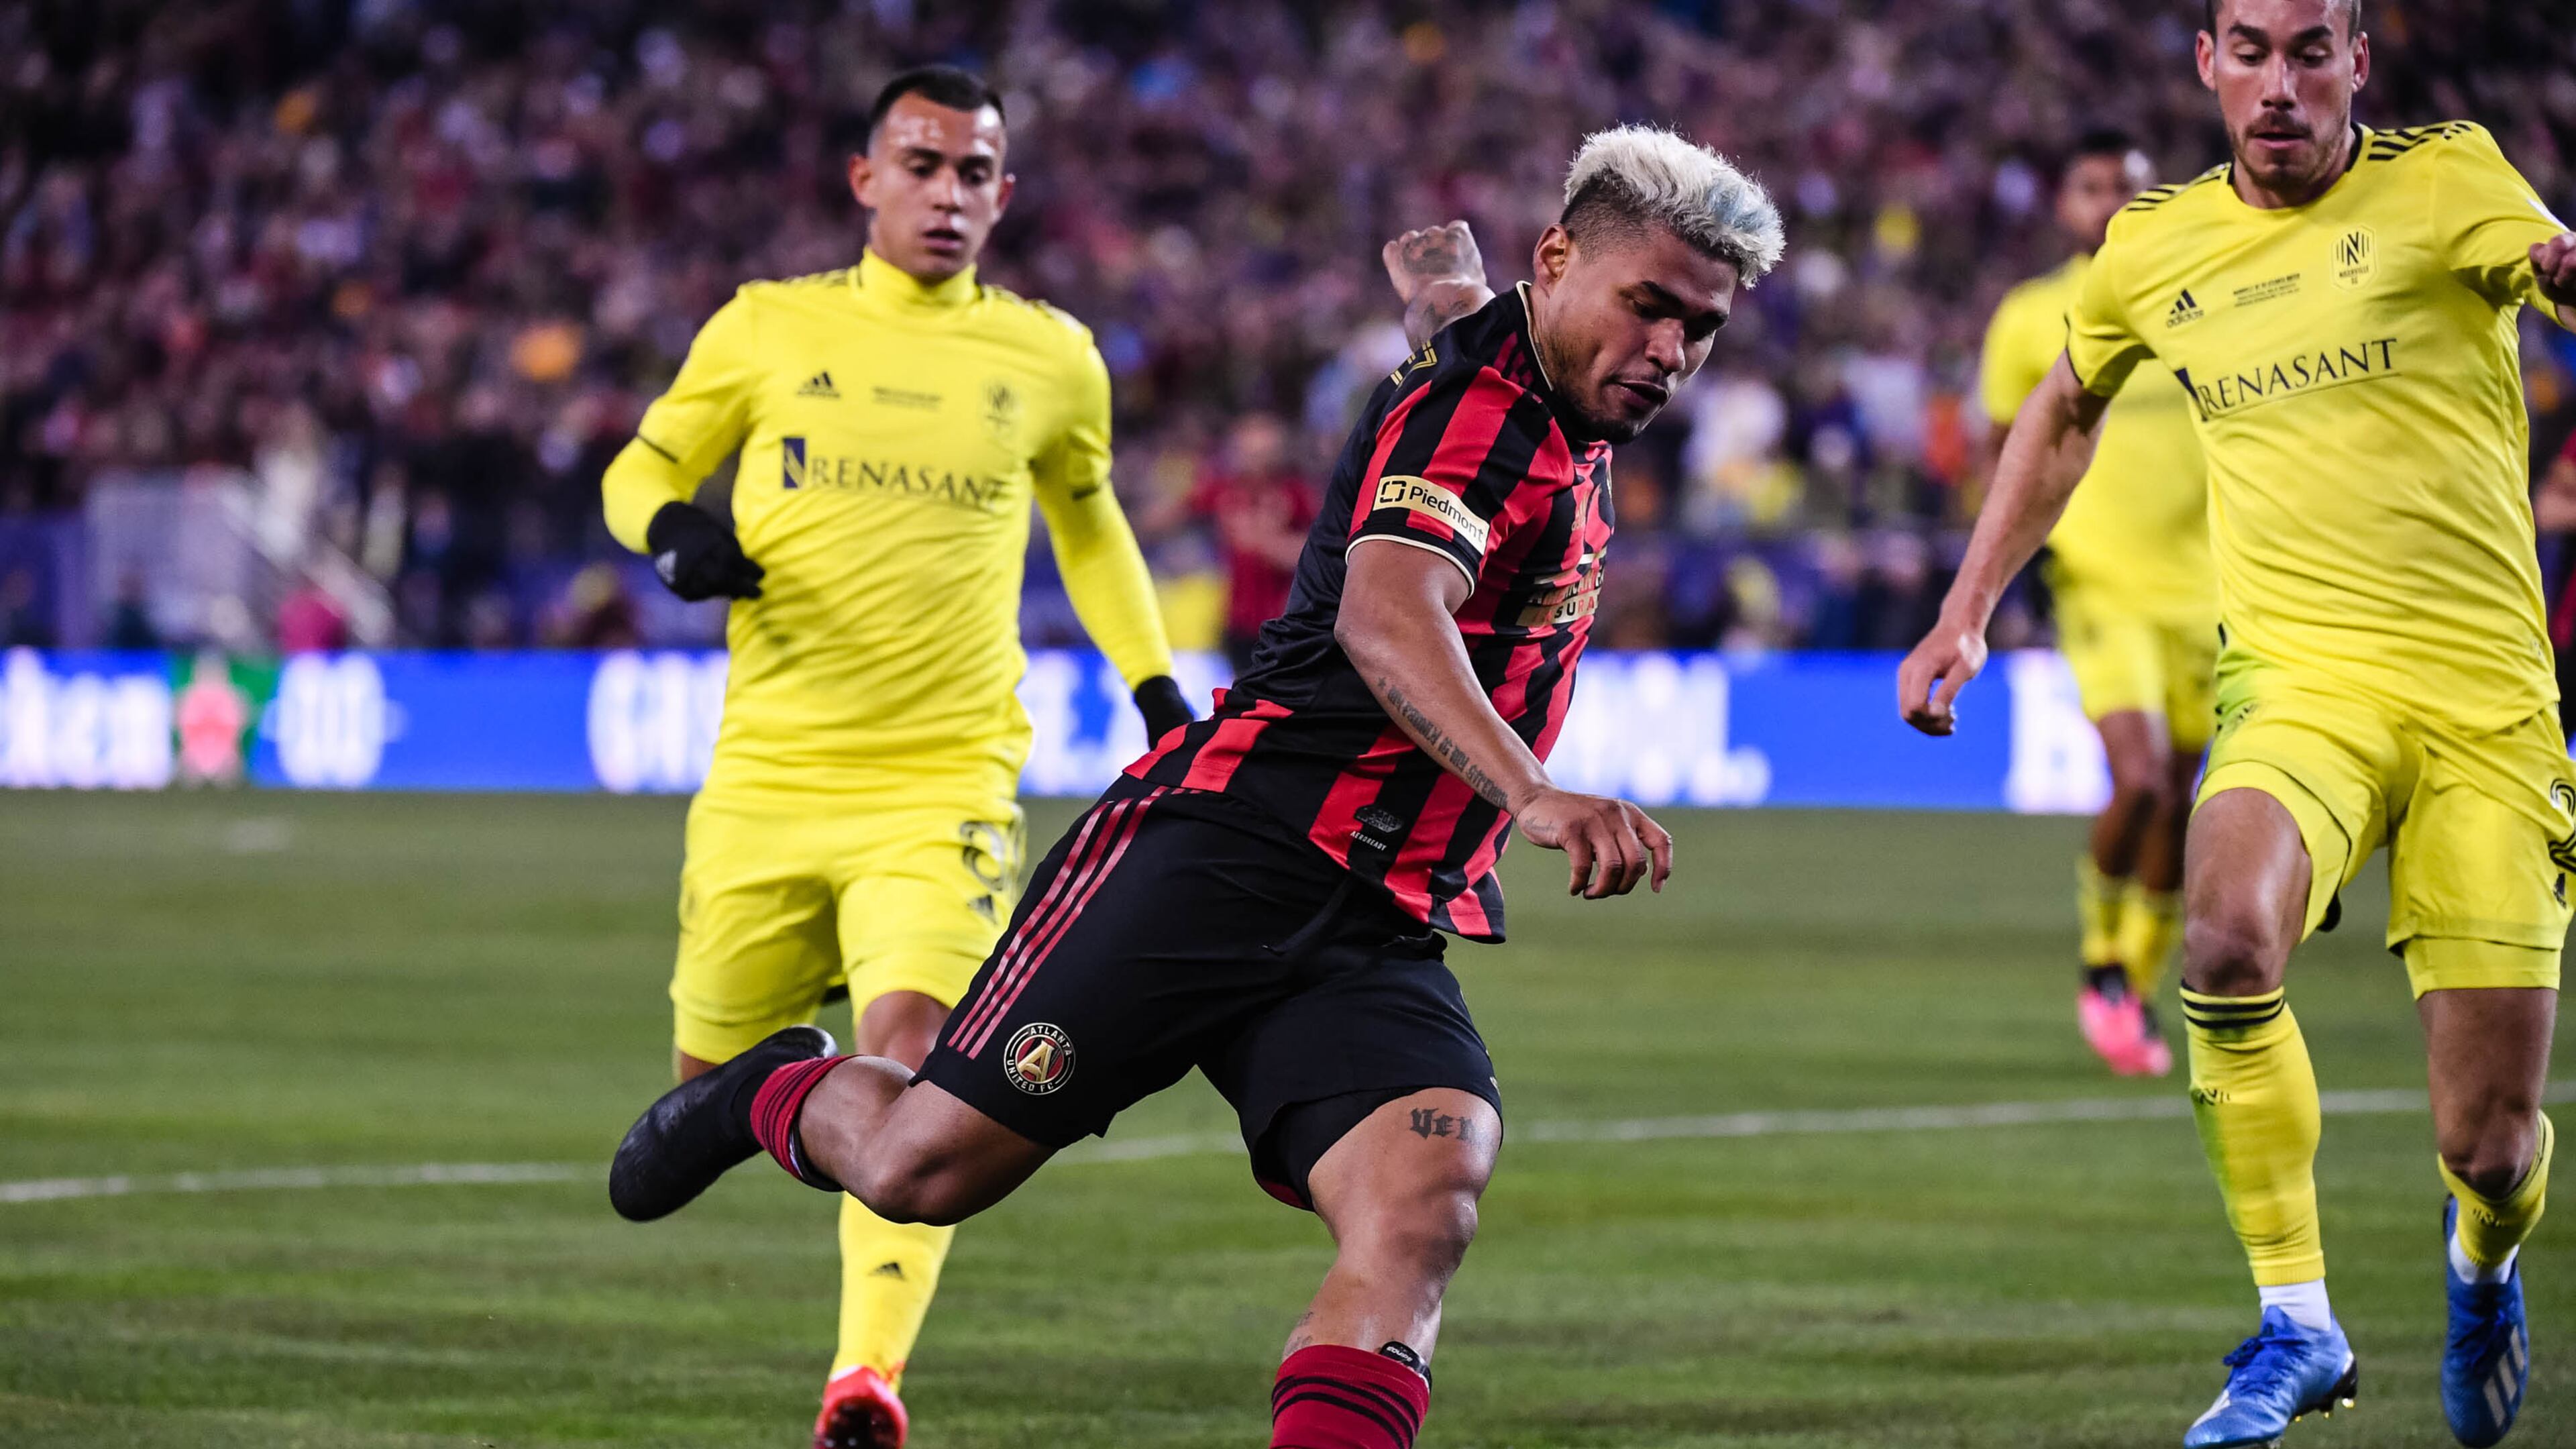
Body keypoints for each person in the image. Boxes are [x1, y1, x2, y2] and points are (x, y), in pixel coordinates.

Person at [610, 125, 1782, 1449]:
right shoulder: (1481, 416)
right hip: (1223, 851)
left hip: (1371, 912)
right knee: (914, 1170)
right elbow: (1389, 617)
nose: (1672, 355)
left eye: (1702, 328)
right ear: (1561, 261)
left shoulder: (1546, 383)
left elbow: (1490, 343)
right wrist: (1533, 795)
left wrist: (1451, 302)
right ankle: (771, 1088)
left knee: (1424, 1196)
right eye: (1649, 309)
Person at [1898, 2, 2576, 1443]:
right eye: (2252, 50)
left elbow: (2551, 270)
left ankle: (2484, 1258)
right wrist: (1967, 608)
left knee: (2492, 1139)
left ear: (2357, 64)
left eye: (2311, 50)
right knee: (2220, 935)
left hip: (2486, 707)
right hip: (2299, 686)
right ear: (2206, 65)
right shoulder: (2153, 244)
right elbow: (2062, 409)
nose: (2282, 83)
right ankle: (2300, 1322)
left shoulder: (2452, 175)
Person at [596, 66, 1192, 1449]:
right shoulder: (766, 328)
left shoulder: (1050, 358)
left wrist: (1156, 686)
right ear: (865, 178)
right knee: (707, 1088)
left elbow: (1091, 529)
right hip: (770, 777)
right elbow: (640, 463)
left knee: (925, 1080)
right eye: (922, 165)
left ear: (1005, 193)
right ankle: (762, 1084)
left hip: (944, 783)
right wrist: (673, 535)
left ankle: (865, 1382)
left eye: (975, 171)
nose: (948, 193)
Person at [1978, 129, 2216, 1079]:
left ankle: (2133, 984)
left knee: (2184, 803)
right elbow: (2007, 454)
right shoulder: (2032, 316)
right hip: (2098, 580)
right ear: (2064, 205)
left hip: (2210, 587)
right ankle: (2100, 961)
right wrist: (2005, 573)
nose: (2111, 201)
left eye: (2128, 184)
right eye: (2091, 186)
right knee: (2145, 779)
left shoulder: (2202, 302)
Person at [1191, 412, 1319, 677]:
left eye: (1263, 451)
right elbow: (1180, 511)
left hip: (1283, 622)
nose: (1254, 459)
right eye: (1248, 451)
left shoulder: (1296, 493)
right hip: (1237, 621)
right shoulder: (1224, 488)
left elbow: (1316, 552)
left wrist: (1269, 545)